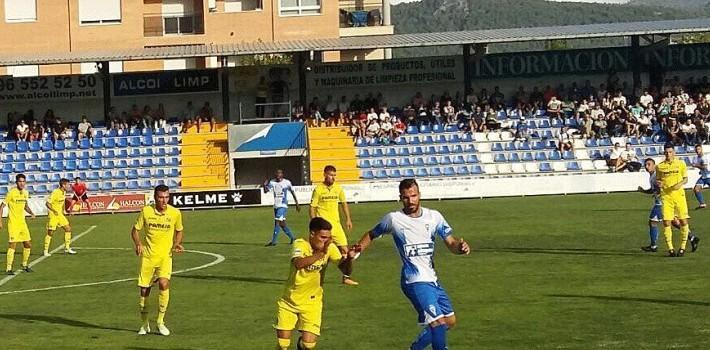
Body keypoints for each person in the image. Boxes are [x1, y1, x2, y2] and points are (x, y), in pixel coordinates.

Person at [353, 179, 470, 350]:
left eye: (414, 196)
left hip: (432, 279)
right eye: (406, 197)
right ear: (400, 198)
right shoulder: (394, 219)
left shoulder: (434, 216)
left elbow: (451, 242)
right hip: (413, 280)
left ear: (419, 195)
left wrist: (460, 247)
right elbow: (372, 234)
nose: (411, 201)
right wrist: (357, 250)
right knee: (437, 323)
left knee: (449, 321)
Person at [274, 217, 356, 350]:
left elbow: (345, 270)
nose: (326, 241)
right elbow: (299, 264)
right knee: (283, 345)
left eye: (328, 238)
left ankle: (301, 345)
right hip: (289, 301)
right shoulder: (300, 244)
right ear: (312, 234)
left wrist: (349, 259)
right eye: (323, 237)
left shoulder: (329, 247)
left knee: (308, 345)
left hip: (312, 303)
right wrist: (321, 253)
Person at [131, 185, 184, 336]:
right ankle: (144, 324)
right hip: (148, 257)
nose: (164, 200)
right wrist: (138, 244)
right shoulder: (146, 211)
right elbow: (135, 230)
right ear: (155, 198)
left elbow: (179, 230)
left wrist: (177, 243)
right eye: (161, 197)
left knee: (164, 283)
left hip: (165, 257)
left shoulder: (175, 213)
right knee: (144, 291)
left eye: (167, 197)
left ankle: (160, 322)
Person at [309, 165, 358, 286]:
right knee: (323, 253)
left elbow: (344, 204)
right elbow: (312, 207)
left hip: (336, 226)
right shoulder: (318, 189)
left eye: (335, 175)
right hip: (323, 229)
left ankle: (346, 277)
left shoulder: (338, 188)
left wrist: (348, 219)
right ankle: (318, 278)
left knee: (346, 251)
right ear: (325, 174)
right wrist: (315, 224)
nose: (333, 177)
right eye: (331, 175)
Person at [639, 158, 700, 253]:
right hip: (665, 201)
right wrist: (644, 191)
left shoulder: (656, 176)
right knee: (674, 222)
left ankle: (653, 246)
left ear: (654, 165)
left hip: (662, 202)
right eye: (646, 165)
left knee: (653, 222)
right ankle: (692, 238)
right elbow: (654, 190)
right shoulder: (652, 176)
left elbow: (664, 186)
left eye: (649, 164)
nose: (647, 167)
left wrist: (660, 192)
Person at [656, 144, 693, 257]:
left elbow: (685, 179)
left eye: (670, 152)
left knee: (683, 221)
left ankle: (682, 247)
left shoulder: (680, 164)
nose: (668, 154)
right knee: (667, 222)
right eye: (666, 152)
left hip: (679, 196)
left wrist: (680, 184)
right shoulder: (660, 166)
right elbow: (658, 180)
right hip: (666, 197)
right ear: (664, 153)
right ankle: (670, 249)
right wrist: (659, 183)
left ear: (674, 152)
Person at [0, 174, 36, 275]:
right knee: (13, 245)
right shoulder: (11, 193)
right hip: (13, 224)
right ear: (16, 182)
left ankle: (24, 265)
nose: (22, 183)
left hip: (22, 223)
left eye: (23, 181)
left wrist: (32, 213)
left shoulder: (25, 193)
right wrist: (0, 221)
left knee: (28, 244)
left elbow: (25, 206)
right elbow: (1, 207)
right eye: (20, 181)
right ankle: (8, 268)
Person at [263, 169, 300, 246]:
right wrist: (264, 185)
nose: (278, 175)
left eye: (279, 174)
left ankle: (273, 242)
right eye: (277, 174)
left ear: (282, 174)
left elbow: (292, 192)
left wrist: (297, 203)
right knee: (282, 224)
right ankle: (293, 238)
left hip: (283, 205)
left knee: (277, 222)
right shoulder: (272, 182)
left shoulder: (287, 182)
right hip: (276, 205)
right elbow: (266, 191)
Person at [44, 179, 77, 256]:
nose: (69, 186)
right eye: (68, 185)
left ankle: (67, 248)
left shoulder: (64, 192)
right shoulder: (56, 192)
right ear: (63, 185)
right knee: (50, 233)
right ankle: (45, 250)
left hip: (60, 215)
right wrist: (53, 210)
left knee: (68, 229)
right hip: (53, 215)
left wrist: (62, 212)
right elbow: (47, 203)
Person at [692, 144, 710, 209]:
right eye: (696, 149)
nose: (697, 151)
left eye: (699, 149)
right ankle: (702, 203)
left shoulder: (704, 157)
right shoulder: (696, 158)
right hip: (703, 177)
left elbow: (704, 167)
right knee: (696, 189)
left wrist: (696, 165)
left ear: (702, 149)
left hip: (709, 176)